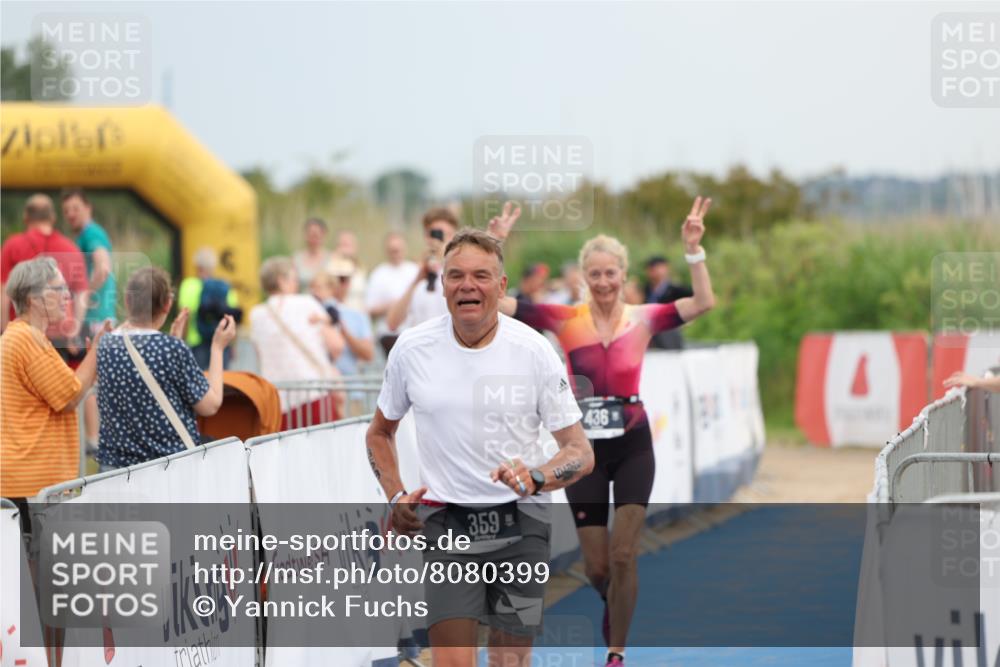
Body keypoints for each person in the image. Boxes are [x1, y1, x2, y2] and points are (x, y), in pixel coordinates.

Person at [493, 197, 717, 666]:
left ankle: (616, 652)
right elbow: (497, 300)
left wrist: (693, 251)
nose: (603, 282)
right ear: (582, 278)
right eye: (594, 274)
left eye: (610, 273)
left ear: (623, 275)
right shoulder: (564, 319)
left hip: (634, 444)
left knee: (623, 556)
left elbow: (703, 302)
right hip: (582, 453)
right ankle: (615, 606)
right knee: (596, 567)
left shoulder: (644, 318)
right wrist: (495, 244)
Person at [366, 229, 593, 667]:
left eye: (481, 276)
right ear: (444, 285)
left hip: (523, 526)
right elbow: (379, 432)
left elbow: (580, 451)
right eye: (456, 276)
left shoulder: (534, 350)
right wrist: (395, 496)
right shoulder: (412, 349)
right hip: (447, 526)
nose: (467, 285)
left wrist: (538, 476)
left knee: (510, 659)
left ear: (502, 286)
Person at [95, 267, 235, 470]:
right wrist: (218, 348)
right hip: (167, 469)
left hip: (115, 471)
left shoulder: (106, 345)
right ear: (167, 304)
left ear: (127, 301)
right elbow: (210, 405)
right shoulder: (172, 349)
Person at [1, 257, 109, 505]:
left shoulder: (20, 335)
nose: (67, 296)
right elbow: (70, 397)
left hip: (25, 480)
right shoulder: (29, 340)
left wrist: (91, 361)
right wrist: (97, 349)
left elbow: (65, 387)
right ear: (34, 299)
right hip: (32, 484)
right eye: (59, 289)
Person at [249, 257, 345, 428]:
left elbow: (259, 354)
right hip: (313, 393)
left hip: (277, 401)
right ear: (282, 280)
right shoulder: (306, 303)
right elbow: (336, 346)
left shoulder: (256, 315)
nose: (296, 283)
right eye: (293, 278)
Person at [61, 188, 118, 454]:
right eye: (66, 211)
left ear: (88, 207)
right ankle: (97, 439)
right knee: (96, 379)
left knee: (89, 380)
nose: (70, 214)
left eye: (75, 208)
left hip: (94, 320)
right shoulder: (90, 234)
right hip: (102, 318)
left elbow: (103, 268)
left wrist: (83, 297)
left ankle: (93, 440)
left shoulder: (91, 234)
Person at [1, 194, 89, 360]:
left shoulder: (12, 246)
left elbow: (3, 293)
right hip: (61, 337)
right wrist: (74, 331)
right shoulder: (71, 248)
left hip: (23, 336)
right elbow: (81, 294)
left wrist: (5, 331)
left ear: (26, 218)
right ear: (53, 217)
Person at [309, 261, 375, 415]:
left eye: (344, 279)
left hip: (352, 393)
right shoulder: (313, 311)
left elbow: (368, 354)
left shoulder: (358, 315)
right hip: (321, 395)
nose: (340, 284)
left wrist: (343, 329)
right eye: (336, 278)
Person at [384, 207, 458, 333]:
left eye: (445, 235)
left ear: (454, 236)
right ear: (426, 236)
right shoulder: (411, 272)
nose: (439, 240)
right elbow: (392, 323)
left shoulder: (461, 274)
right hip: (420, 348)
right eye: (435, 234)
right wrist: (417, 279)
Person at [176, 247, 242, 369]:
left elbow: (184, 317)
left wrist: (180, 343)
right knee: (222, 382)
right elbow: (232, 319)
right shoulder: (224, 286)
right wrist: (233, 345)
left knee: (198, 384)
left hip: (196, 343)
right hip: (222, 343)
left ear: (197, 265)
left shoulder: (189, 285)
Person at [365, 231, 419, 356]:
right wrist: (391, 306)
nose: (396, 253)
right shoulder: (378, 274)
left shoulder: (414, 271)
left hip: (412, 331)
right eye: (392, 250)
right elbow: (370, 309)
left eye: (398, 250)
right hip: (388, 335)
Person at [641, 256, 693, 350]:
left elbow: (697, 302)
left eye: (659, 268)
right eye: (652, 269)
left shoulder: (676, 290)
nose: (656, 272)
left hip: (668, 331)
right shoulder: (644, 289)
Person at [331, 230, 368, 311]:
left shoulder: (361, 269)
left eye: (349, 245)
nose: (346, 249)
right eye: (343, 245)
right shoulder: (332, 268)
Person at [292, 218, 332, 292]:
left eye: (316, 235)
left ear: (324, 235)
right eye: (310, 235)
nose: (313, 239)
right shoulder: (297, 259)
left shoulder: (332, 259)